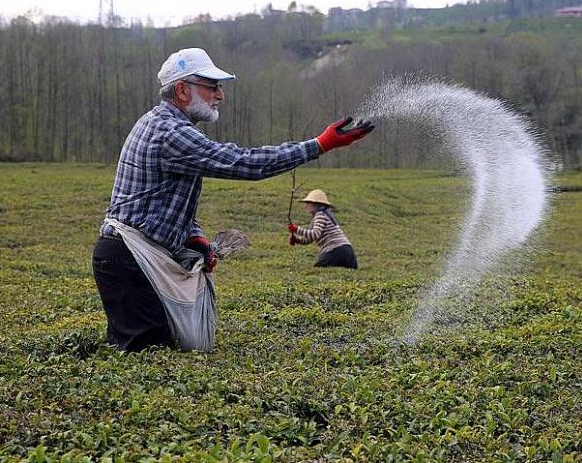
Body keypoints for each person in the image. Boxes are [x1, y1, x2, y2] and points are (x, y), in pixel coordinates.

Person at [92, 47, 374, 351]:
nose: (220, 95)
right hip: (130, 262)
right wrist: (318, 145)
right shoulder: (170, 132)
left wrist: (192, 236)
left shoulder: (165, 124)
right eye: (211, 87)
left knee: (160, 350)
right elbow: (242, 162)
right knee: (149, 356)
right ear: (182, 90)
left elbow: (162, 200)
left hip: (132, 258)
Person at [288, 190, 358, 269]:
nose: (306, 206)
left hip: (335, 250)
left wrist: (296, 229)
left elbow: (314, 234)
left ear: (315, 204)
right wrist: (297, 240)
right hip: (348, 251)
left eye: (308, 203)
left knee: (318, 271)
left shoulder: (320, 215)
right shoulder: (324, 214)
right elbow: (309, 239)